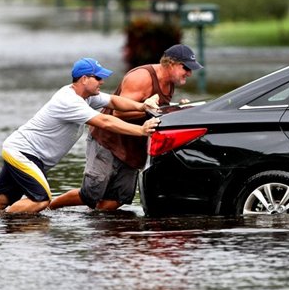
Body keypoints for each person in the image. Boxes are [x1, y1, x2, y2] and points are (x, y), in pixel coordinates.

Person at [0, 58, 160, 214]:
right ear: (84, 79)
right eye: (98, 78)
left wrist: (142, 106)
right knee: (41, 200)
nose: (102, 82)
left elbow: (114, 101)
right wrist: (140, 130)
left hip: (23, 152)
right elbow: (105, 122)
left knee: (1, 200)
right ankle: (5, 225)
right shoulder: (69, 101)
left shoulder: (86, 96)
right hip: (22, 152)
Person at [49, 44, 203, 211]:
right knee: (91, 194)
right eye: (186, 68)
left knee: (118, 199)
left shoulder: (170, 81)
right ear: (171, 64)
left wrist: (176, 109)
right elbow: (118, 114)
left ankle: (96, 230)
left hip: (132, 144)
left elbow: (156, 110)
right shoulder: (141, 77)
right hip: (108, 140)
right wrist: (157, 111)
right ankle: (50, 207)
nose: (189, 73)